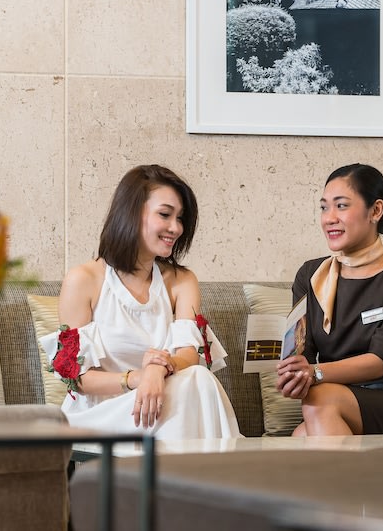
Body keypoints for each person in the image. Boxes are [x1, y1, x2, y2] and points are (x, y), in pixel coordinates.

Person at [40, 164, 241, 439]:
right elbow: (78, 378)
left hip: (163, 408)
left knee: (199, 379)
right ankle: (208, 477)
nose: (176, 228)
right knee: (198, 384)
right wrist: (139, 378)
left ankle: (176, 478)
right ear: (132, 213)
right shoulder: (84, 280)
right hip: (102, 416)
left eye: (180, 218)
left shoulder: (182, 281)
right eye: (165, 215)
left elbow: (189, 355)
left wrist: (158, 368)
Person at [275, 163, 383, 436]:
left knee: (319, 400)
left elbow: (380, 360)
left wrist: (314, 374)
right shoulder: (310, 275)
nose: (329, 218)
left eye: (341, 206)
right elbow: (301, 353)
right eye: (324, 207)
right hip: (335, 402)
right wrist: (293, 374)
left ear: (376, 210)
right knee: (300, 436)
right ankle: (354, 479)